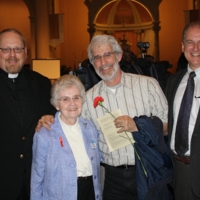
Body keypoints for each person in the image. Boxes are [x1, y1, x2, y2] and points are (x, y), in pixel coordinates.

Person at [36, 35, 168, 200]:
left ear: (118, 56)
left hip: (148, 171)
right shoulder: (88, 98)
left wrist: (138, 126)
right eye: (97, 58)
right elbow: (70, 126)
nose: (103, 62)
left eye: (107, 54)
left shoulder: (148, 85)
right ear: (92, 64)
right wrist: (50, 120)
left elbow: (168, 127)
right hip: (111, 179)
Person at [0, 28, 56, 200]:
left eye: (17, 49)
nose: (12, 55)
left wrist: (51, 118)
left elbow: (54, 118)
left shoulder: (42, 83)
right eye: (5, 49)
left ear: (25, 52)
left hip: (35, 181)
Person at [31, 75, 102, 200]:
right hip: (60, 194)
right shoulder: (44, 134)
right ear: (56, 105)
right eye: (65, 99)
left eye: (76, 97)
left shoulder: (90, 128)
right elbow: (37, 177)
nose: (72, 103)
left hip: (90, 191)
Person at [165, 21, 200, 200]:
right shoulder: (173, 82)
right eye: (190, 42)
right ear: (182, 46)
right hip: (179, 173)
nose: (196, 48)